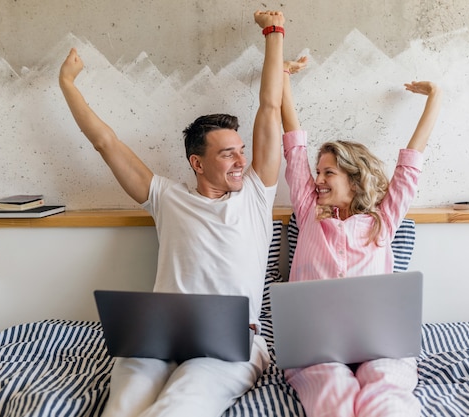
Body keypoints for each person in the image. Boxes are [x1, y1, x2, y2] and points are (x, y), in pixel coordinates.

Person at [59, 10, 286, 417]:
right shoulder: (164, 196)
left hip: (227, 347)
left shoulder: (254, 194)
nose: (240, 159)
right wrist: (67, 84)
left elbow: (269, 108)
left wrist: (274, 32)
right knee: (122, 409)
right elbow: (106, 143)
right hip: (157, 340)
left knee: (175, 409)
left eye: (241, 149)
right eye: (227, 152)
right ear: (197, 163)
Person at [281, 57, 442, 417]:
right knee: (334, 389)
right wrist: (284, 79)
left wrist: (435, 97)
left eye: (328, 173)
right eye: (317, 172)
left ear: (354, 180)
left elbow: (410, 163)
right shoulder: (308, 213)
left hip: (377, 345)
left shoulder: (382, 219)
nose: (318, 180)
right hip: (316, 347)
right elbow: (293, 146)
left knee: (386, 391)